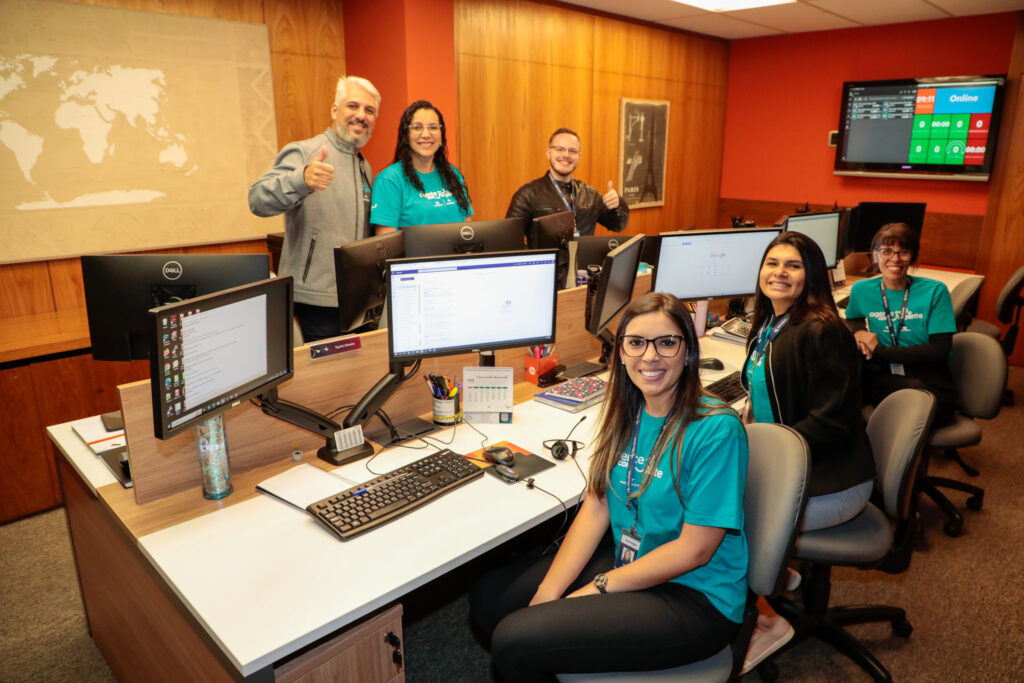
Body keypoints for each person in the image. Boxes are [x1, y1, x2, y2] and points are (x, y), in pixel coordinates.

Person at [469, 292, 748, 682]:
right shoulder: (627, 410)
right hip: (633, 557)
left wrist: (593, 590)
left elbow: (694, 550)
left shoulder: (715, 429)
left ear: (687, 351)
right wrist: (550, 595)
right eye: (635, 343)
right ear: (619, 352)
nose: (649, 357)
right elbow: (597, 506)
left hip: (694, 596)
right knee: (491, 599)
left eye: (666, 342)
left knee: (515, 641)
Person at [739, 231, 876, 671]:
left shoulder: (820, 330)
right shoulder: (771, 323)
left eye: (792, 265)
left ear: (811, 274)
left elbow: (834, 421)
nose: (779, 273)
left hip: (833, 478)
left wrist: (767, 452)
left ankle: (767, 619)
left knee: (718, 518)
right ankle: (776, 574)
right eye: (772, 263)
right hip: (794, 464)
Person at [248, 76, 379, 343]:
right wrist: (301, 179)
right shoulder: (305, 152)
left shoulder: (365, 167)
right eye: (352, 106)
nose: (361, 115)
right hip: (316, 301)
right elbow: (257, 200)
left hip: (357, 302)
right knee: (326, 382)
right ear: (334, 110)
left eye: (369, 110)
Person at [845, 222, 957, 427]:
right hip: (884, 373)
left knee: (920, 398)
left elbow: (940, 350)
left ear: (912, 256)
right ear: (875, 255)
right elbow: (852, 318)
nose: (895, 259)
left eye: (903, 251)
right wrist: (860, 332)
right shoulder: (861, 289)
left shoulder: (935, 291)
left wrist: (880, 350)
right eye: (886, 251)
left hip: (927, 372)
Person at [506, 127, 629, 240]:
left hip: (582, 263)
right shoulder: (527, 195)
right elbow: (509, 239)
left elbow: (617, 225)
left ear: (579, 156)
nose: (566, 155)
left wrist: (618, 204)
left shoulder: (590, 195)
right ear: (548, 153)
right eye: (560, 149)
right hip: (548, 263)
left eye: (572, 151)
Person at [370, 100, 472, 232]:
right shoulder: (389, 180)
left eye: (433, 127)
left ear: (441, 135)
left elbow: (468, 230)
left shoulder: (453, 174)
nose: (426, 135)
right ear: (406, 135)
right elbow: (385, 244)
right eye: (417, 127)